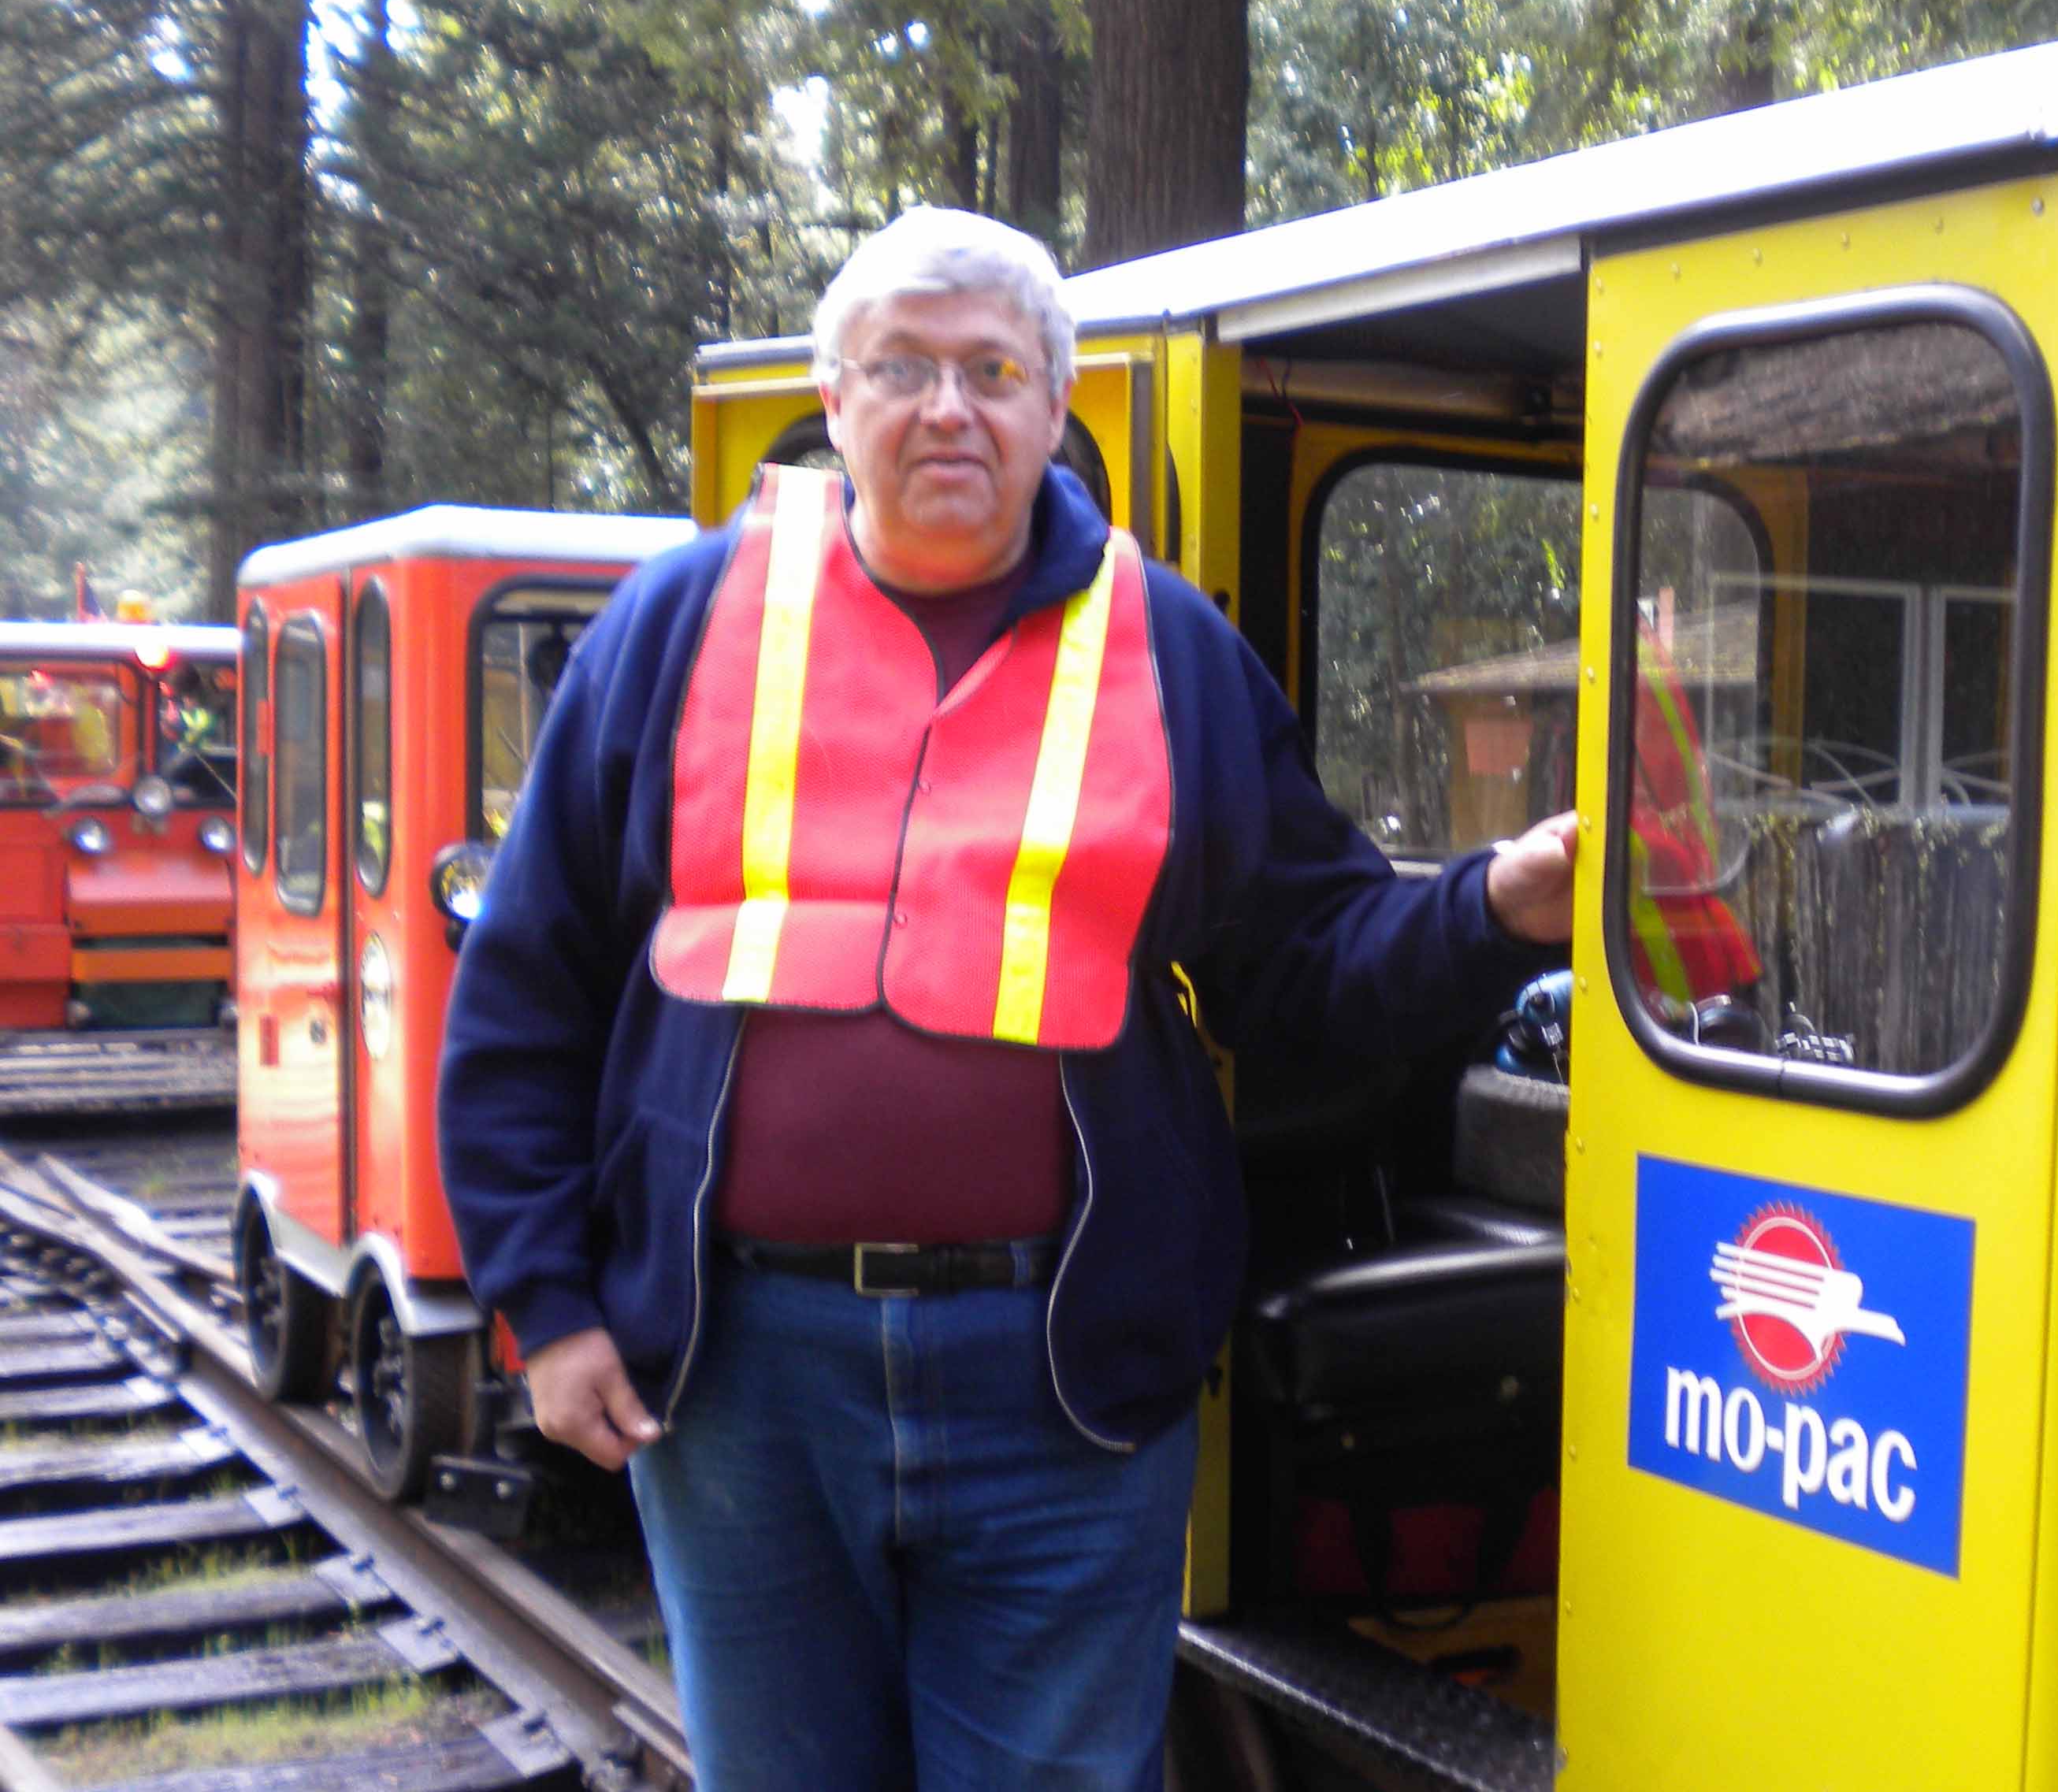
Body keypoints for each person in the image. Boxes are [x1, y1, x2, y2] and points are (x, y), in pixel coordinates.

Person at [436, 206, 1577, 1792]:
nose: (948, 408)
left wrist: (1493, 908)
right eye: (901, 366)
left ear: (1057, 404)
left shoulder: (1167, 649)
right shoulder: (682, 626)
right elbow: (529, 983)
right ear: (834, 401)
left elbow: (1302, 967)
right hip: (743, 1372)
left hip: (1060, 1371)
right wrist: (547, 1306)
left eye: (991, 369)